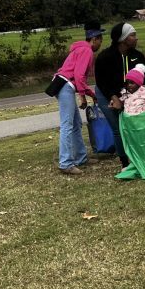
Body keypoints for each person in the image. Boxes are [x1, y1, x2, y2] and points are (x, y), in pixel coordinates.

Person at [53, 21, 104, 175]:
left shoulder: (80, 49)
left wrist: (82, 96)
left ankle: (81, 158)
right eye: (100, 40)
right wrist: (92, 95)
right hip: (65, 86)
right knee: (67, 125)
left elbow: (78, 76)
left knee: (75, 124)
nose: (101, 43)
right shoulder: (87, 51)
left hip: (65, 85)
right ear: (94, 39)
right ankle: (65, 163)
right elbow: (79, 77)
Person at [94, 22, 145, 169]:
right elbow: (102, 81)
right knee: (119, 129)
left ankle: (144, 157)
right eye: (132, 35)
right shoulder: (105, 57)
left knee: (136, 127)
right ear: (123, 39)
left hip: (131, 94)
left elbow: (143, 79)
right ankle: (125, 163)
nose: (136, 38)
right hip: (107, 94)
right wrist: (113, 97)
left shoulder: (138, 56)